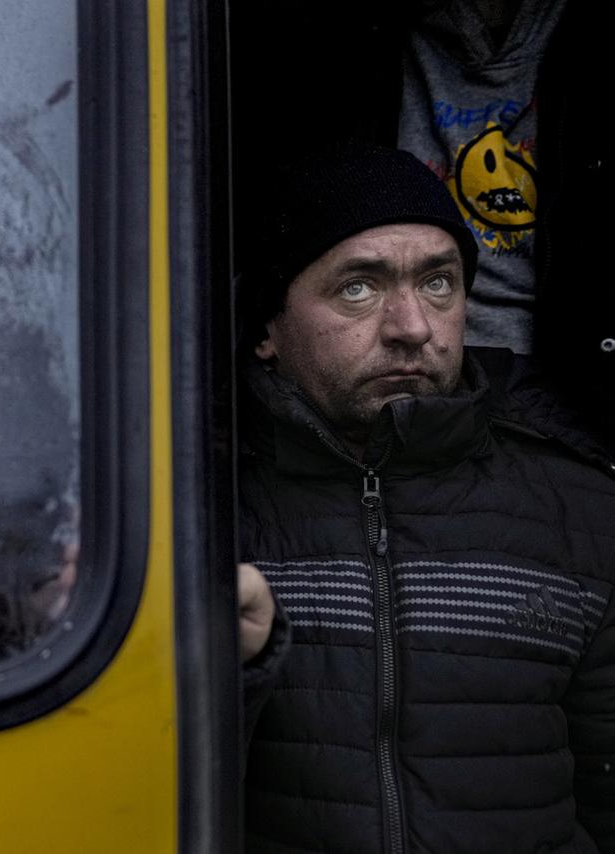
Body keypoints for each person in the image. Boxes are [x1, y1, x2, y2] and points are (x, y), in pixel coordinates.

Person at [237, 144, 614, 852]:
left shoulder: (580, 508)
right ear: (267, 327)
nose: (413, 326)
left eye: (439, 283)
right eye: (359, 287)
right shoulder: (199, 514)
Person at [231, 0, 613, 439]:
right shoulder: (314, 46)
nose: (411, 326)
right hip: (349, 412)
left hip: (573, 407)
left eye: (437, 284)